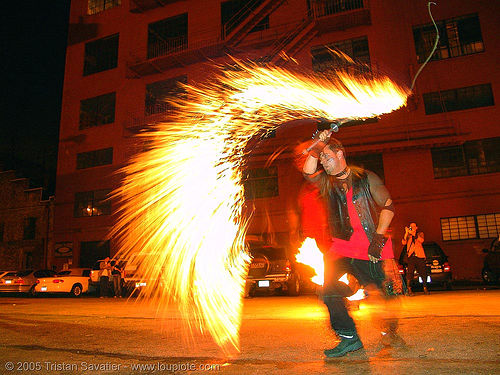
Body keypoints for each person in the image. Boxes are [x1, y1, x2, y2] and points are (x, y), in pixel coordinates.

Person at [302, 130, 401, 358]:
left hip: (370, 248)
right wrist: (319, 144)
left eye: (327, 156)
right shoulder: (326, 183)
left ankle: (390, 326)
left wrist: (378, 238)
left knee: (381, 295)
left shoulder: (366, 178)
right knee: (327, 291)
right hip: (340, 248)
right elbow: (308, 171)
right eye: (322, 158)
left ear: (340, 154)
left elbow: (388, 207)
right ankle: (349, 337)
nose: (324, 162)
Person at [402, 222, 428, 295]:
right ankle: (409, 289)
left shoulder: (420, 234)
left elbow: (421, 240)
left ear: (416, 227)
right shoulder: (408, 236)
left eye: (413, 226)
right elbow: (403, 242)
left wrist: (413, 233)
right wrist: (406, 233)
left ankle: (425, 288)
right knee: (410, 273)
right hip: (411, 257)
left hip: (419, 256)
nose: (412, 228)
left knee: (423, 272)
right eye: (411, 227)